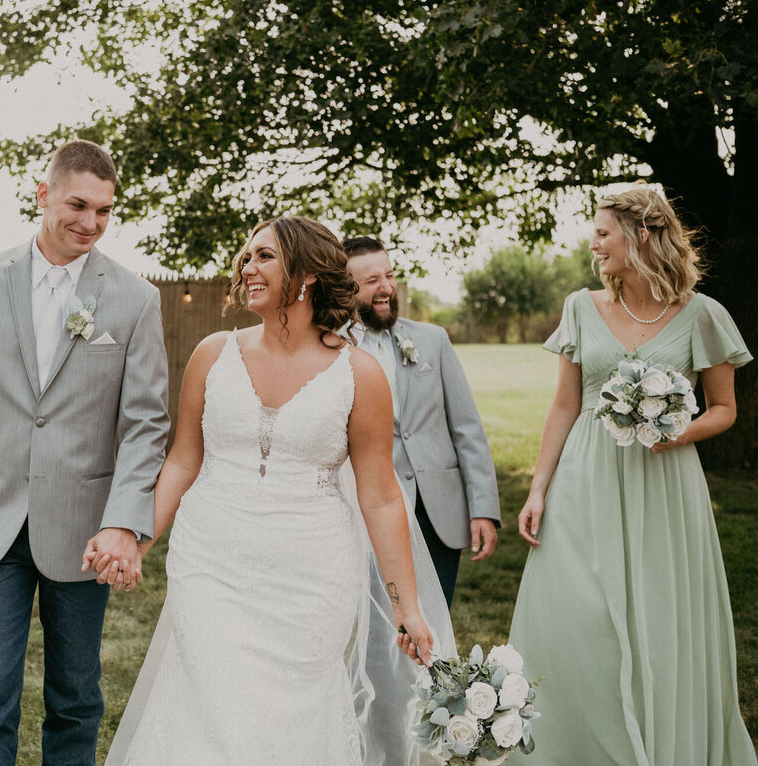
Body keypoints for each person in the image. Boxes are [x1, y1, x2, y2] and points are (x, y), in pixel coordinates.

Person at [104, 217, 454, 765]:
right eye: (246, 257)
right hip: (209, 562)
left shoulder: (359, 374)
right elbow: (181, 461)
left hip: (312, 573)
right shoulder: (212, 353)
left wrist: (405, 605)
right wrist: (136, 539)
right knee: (212, 700)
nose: (248, 267)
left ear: (309, 273)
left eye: (264, 256)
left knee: (290, 713)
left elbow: (381, 496)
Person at [0, 140, 170, 766]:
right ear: (44, 196)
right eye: (79, 205)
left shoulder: (135, 298)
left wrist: (121, 521)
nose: (90, 223)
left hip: (85, 527)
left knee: (75, 695)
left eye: (105, 211)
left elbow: (146, 424)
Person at [510, 187, 757, 764]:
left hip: (664, 485)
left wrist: (678, 431)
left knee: (660, 620)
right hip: (583, 479)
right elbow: (564, 407)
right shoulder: (580, 307)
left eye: (602, 232)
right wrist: (539, 487)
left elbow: (724, 408)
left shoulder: (704, 314)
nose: (593, 243)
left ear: (640, 235)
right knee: (580, 617)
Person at [344, 236, 499, 606]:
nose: (386, 289)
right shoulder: (332, 350)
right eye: (371, 281)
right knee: (380, 633)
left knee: (436, 623)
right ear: (346, 288)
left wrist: (483, 509)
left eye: (389, 276)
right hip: (368, 514)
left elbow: (467, 429)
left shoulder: (432, 339)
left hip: (438, 510)